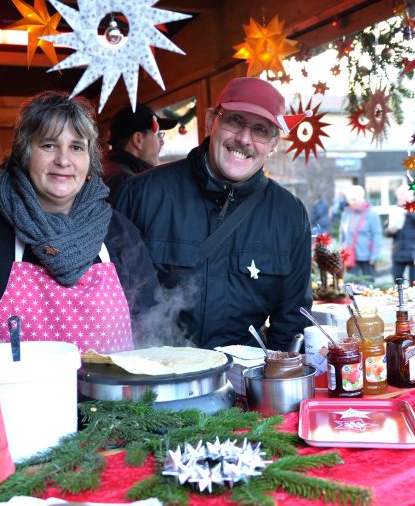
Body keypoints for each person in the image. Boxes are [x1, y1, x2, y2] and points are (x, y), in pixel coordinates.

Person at [0, 91, 160, 353]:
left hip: (111, 393)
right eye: (49, 145)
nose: (63, 160)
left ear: (90, 161)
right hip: (11, 392)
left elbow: (153, 322)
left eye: (76, 147)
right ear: (25, 153)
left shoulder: (118, 231)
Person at [113, 77, 313, 351]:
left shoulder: (289, 215)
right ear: (210, 121)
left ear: (273, 143)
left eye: (260, 130)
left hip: (242, 384)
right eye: (234, 120)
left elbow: (292, 322)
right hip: (153, 379)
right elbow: (107, 301)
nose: (244, 139)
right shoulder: (141, 194)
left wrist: (271, 382)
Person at [102, 103, 178, 202]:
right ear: (138, 139)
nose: (162, 141)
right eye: (158, 134)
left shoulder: (110, 171)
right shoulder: (127, 183)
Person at [386, 184, 415, 283]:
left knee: (414, 282)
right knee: (397, 280)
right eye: (398, 195)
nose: (398, 197)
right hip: (398, 252)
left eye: (401, 195)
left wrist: (408, 212)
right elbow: (386, 231)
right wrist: (389, 231)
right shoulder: (395, 210)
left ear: (410, 195)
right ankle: (399, 298)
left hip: (414, 252)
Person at [338, 185, 382, 279]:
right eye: (349, 200)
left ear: (362, 198)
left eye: (354, 199)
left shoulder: (372, 214)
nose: (351, 202)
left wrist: (375, 255)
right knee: (351, 283)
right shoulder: (346, 213)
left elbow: (377, 235)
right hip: (350, 255)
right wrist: (341, 250)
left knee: (368, 283)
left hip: (367, 256)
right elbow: (342, 234)